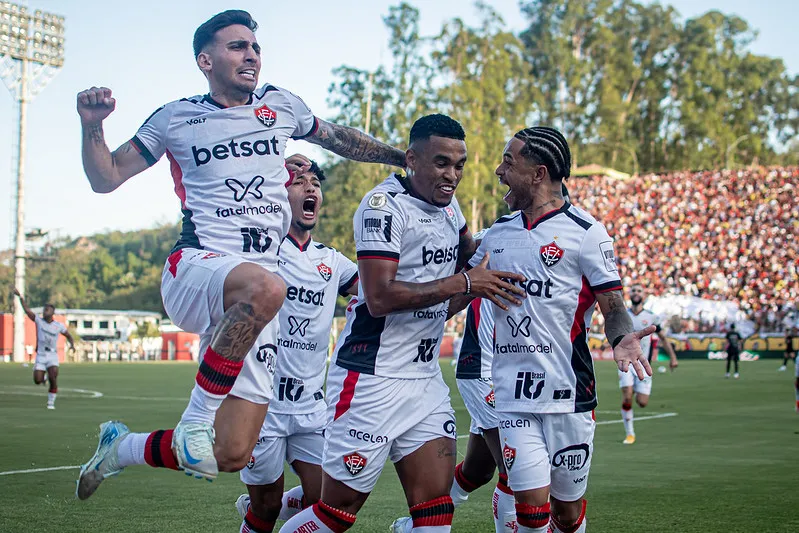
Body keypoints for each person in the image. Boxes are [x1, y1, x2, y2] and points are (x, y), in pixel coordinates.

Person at [75, 9, 405, 501]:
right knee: (269, 285)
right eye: (237, 47)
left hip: (255, 303)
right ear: (205, 60)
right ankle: (193, 418)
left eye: (254, 47)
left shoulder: (281, 105)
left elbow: (340, 140)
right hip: (197, 266)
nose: (251, 55)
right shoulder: (174, 118)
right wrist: (92, 126)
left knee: (228, 453)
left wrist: (403, 158)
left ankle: (119, 448)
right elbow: (106, 178)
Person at [278, 114, 526, 533]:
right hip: (369, 380)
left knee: (435, 512)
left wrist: (487, 271)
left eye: (460, 165)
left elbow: (468, 268)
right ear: (412, 159)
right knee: (335, 515)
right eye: (442, 163)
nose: (452, 176)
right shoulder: (383, 207)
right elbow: (378, 298)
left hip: (424, 381)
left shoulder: (451, 210)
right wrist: (466, 281)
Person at [465, 126, 654, 533]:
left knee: (565, 516)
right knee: (531, 511)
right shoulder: (497, 233)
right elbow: (461, 275)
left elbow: (614, 305)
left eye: (509, 162)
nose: (499, 170)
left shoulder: (587, 233)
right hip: (513, 396)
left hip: (569, 395)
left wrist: (622, 338)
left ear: (538, 173)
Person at [233, 155, 359, 533]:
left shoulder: (332, 261)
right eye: (297, 182)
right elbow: (236, 201)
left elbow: (379, 293)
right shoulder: (259, 250)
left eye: (315, 184)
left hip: (309, 406)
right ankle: (259, 511)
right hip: (263, 404)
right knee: (266, 508)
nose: (310, 189)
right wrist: (268, 168)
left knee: (327, 500)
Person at [619, 284, 679, 444]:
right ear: (630, 294)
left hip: (644, 365)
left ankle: (635, 394)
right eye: (633, 290)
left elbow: (663, 338)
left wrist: (673, 358)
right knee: (627, 396)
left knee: (642, 402)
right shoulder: (623, 315)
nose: (636, 293)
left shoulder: (652, 317)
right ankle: (630, 434)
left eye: (639, 291)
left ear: (643, 295)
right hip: (626, 363)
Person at [13, 287, 75, 409]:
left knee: (53, 376)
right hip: (41, 355)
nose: (45, 311)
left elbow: (68, 335)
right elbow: (27, 310)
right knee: (37, 380)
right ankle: (43, 378)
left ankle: (51, 402)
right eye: (44, 310)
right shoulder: (39, 321)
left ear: (52, 312)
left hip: (52, 355)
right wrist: (20, 297)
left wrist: (72, 344)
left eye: (47, 310)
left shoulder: (58, 326)